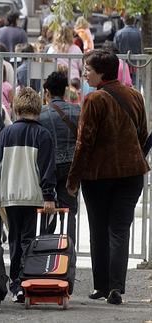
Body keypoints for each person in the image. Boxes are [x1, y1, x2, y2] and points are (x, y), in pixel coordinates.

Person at [67, 50, 148, 305]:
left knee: (99, 230)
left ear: (101, 72)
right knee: (120, 230)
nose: (84, 73)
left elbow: (83, 144)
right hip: (132, 173)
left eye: (88, 69)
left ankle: (100, 286)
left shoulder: (94, 100)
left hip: (99, 175)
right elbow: (143, 135)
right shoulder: (135, 96)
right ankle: (116, 287)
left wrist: (73, 179)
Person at [0, 87, 56, 303]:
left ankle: (15, 285)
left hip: (10, 195)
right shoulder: (43, 135)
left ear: (17, 108)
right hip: (32, 195)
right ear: (38, 108)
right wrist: (49, 196)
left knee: (14, 239)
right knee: (29, 239)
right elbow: (47, 169)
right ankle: (25, 280)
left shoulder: (6, 134)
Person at [38, 71, 80, 243]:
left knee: (46, 208)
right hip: (72, 167)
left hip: (48, 166)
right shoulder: (77, 111)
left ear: (47, 92)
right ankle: (68, 253)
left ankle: (44, 250)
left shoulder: (40, 114)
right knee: (69, 210)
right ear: (64, 91)